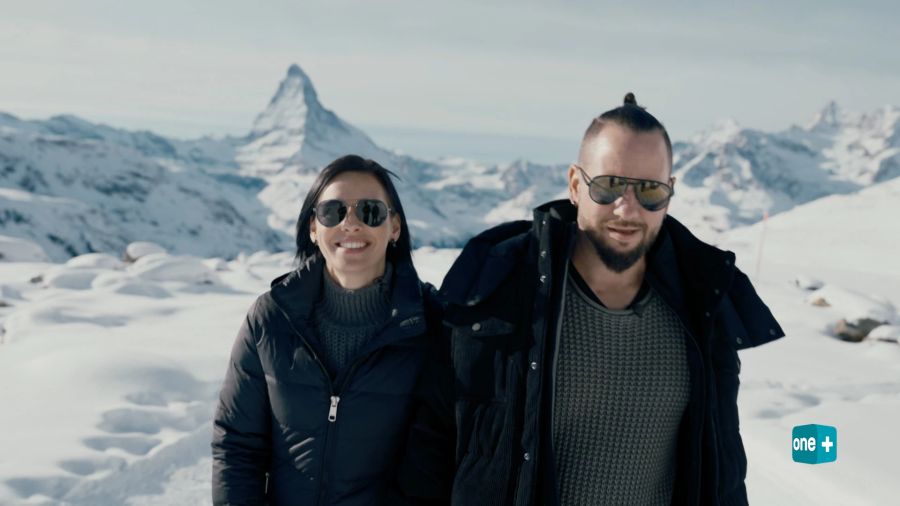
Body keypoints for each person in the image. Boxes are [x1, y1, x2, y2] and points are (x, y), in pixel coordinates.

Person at [394, 94, 785, 506]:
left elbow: (721, 468)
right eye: (610, 185)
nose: (627, 208)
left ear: (669, 193)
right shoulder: (499, 292)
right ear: (576, 184)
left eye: (649, 190)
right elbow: (432, 451)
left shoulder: (704, 301)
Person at [212, 154, 441, 505]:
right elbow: (238, 446)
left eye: (370, 211)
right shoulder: (271, 318)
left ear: (394, 227)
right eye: (333, 212)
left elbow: (440, 456)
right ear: (314, 228)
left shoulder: (430, 324)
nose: (350, 224)